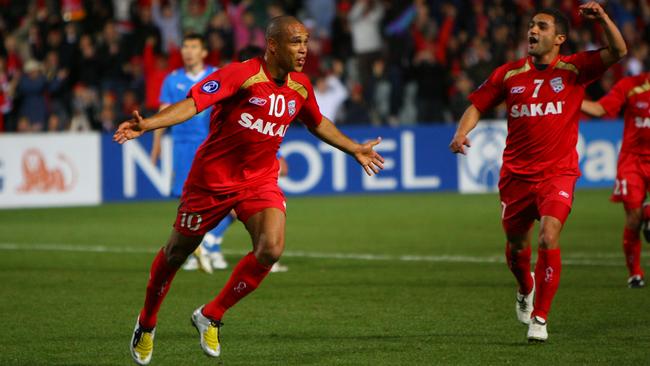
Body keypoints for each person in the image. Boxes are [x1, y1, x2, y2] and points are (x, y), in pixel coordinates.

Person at [114, 15, 384, 365]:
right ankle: (147, 321)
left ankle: (210, 314)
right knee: (175, 255)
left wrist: (354, 148)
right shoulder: (240, 74)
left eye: (306, 42)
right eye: (295, 42)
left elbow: (316, 122)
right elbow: (194, 103)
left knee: (271, 248)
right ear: (273, 45)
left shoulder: (300, 86)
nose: (304, 50)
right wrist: (148, 124)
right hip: (211, 181)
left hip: (259, 180)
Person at [449, 3, 626, 342]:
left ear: (559, 38)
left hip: (557, 174)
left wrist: (603, 17)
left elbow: (618, 50)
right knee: (517, 248)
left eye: (541, 26)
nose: (532, 31)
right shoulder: (509, 73)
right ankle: (524, 287)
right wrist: (461, 133)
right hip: (516, 176)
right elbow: (477, 105)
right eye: (531, 25)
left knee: (548, 236)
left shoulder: (576, 69)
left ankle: (540, 318)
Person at [150, 33, 227, 273]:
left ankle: (211, 245)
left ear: (203, 52)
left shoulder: (217, 75)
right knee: (187, 202)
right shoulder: (172, 80)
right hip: (183, 147)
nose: (188, 51)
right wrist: (156, 144)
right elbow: (164, 113)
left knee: (224, 199)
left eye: (194, 46)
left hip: (212, 146)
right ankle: (193, 251)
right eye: (185, 46)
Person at [581, 74, 650, 289]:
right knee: (633, 219)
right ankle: (635, 274)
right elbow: (601, 109)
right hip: (633, 161)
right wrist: (568, 98)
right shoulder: (631, 85)